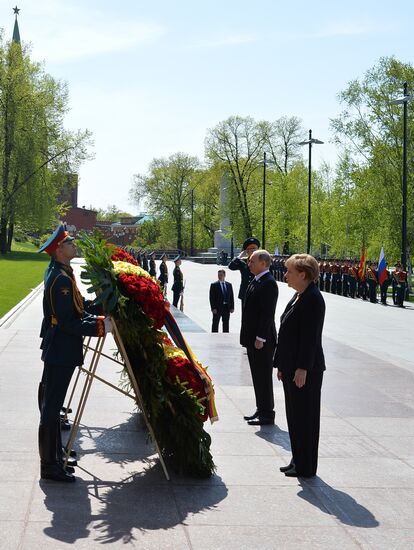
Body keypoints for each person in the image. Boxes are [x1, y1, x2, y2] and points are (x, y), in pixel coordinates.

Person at [38, 224, 112, 482]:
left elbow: (78, 309)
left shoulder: (62, 272)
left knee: (54, 404)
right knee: (52, 406)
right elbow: (69, 321)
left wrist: (102, 308)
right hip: (61, 348)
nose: (73, 245)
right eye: (69, 243)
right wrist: (101, 327)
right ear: (59, 250)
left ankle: (55, 456)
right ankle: (49, 466)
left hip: (59, 347)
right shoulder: (60, 279)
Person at [274, 254, 325, 478]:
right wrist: (281, 365)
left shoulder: (313, 298)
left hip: (305, 370)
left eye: (290, 271)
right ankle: (298, 459)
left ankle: (306, 466)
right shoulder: (299, 295)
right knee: (295, 416)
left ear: (302, 274)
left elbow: (310, 338)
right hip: (291, 367)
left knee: (305, 418)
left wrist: (302, 368)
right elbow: (287, 333)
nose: (285, 275)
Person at [240, 250, 278, 426]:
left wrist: (260, 337)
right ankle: (261, 408)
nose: (249, 264)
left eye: (252, 261)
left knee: (263, 376)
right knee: (257, 376)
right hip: (252, 338)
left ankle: (267, 413)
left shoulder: (269, 283)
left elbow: (267, 314)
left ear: (263, 263)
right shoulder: (257, 280)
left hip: (261, 340)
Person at [228, 237, 260, 302]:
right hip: (245, 292)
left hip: (257, 292)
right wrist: (239, 257)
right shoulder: (243, 261)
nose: (252, 251)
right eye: (250, 249)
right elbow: (231, 266)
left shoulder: (262, 261)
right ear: (246, 251)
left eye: (254, 249)